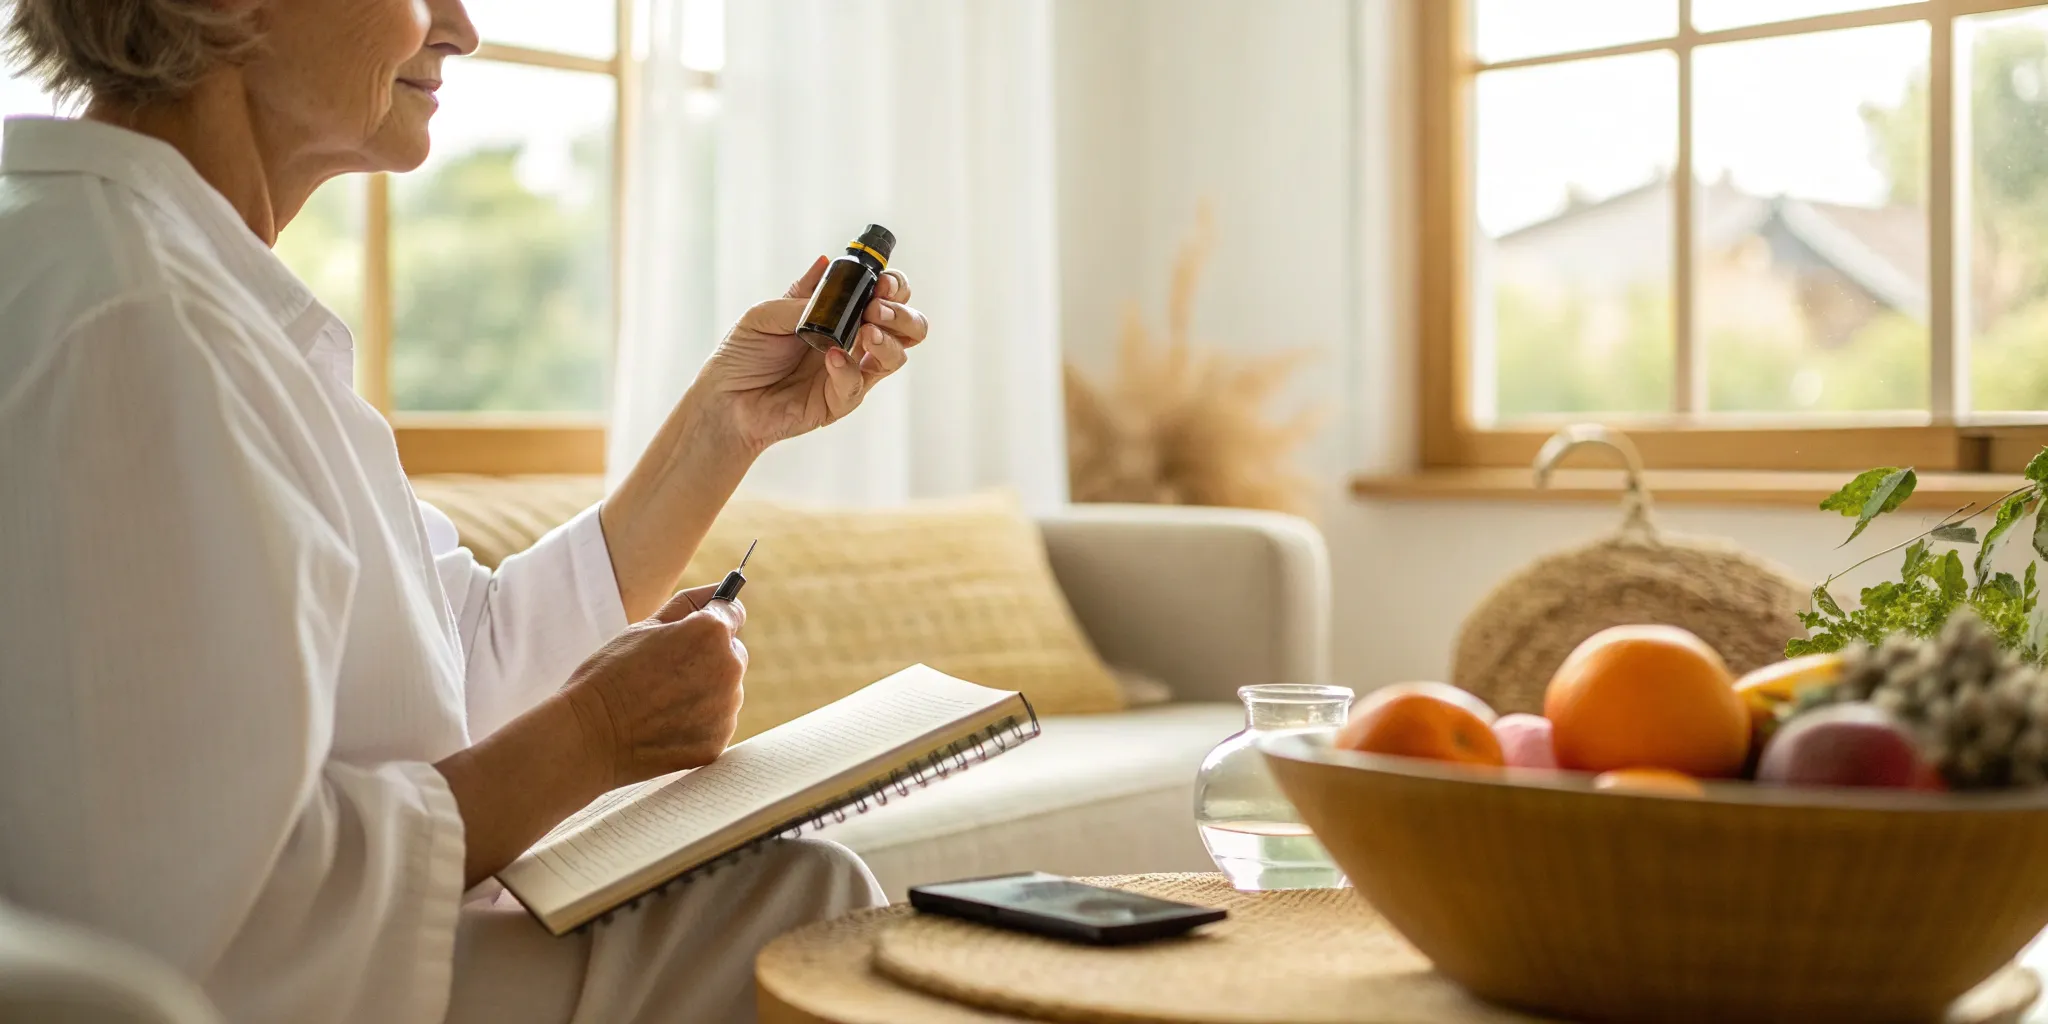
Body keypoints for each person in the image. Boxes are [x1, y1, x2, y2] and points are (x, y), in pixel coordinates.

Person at [0, 0, 933, 1021]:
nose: (458, 27)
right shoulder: (139, 327)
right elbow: (194, 919)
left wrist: (727, 425)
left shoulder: (187, 291)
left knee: (805, 890)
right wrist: (594, 733)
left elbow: (456, 663)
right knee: (800, 914)